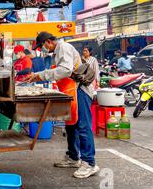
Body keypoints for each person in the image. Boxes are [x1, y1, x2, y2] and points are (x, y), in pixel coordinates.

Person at [25, 32, 99, 179]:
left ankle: (89, 163)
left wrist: (40, 75)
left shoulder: (63, 47)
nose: (42, 50)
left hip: (81, 90)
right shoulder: (57, 52)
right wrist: (39, 75)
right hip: (71, 91)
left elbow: (65, 70)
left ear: (48, 42)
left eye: (42, 47)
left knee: (83, 126)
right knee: (71, 125)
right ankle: (73, 157)